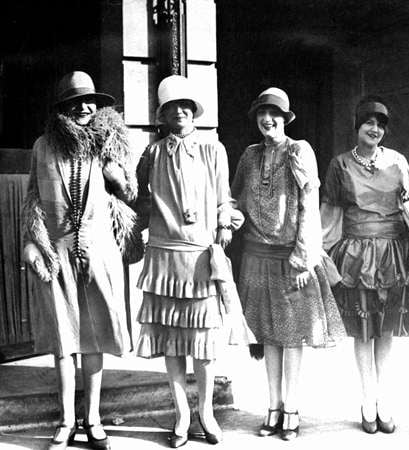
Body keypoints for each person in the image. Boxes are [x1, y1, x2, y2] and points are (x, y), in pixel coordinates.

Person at [22, 71, 138, 450]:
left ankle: (94, 419)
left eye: (90, 101)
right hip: (58, 252)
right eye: (76, 102)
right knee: (63, 339)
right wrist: (34, 243)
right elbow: (33, 201)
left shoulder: (107, 143)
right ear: (62, 110)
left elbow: (131, 194)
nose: (85, 108)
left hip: (99, 250)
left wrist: (116, 177)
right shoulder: (43, 147)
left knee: (95, 336)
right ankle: (66, 420)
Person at [135, 75, 251, 448]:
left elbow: (224, 198)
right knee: (171, 340)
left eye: (186, 106)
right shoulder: (151, 154)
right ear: (163, 115)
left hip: (199, 254)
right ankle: (181, 414)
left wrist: (224, 224)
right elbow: (139, 199)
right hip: (164, 256)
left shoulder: (213, 148)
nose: (180, 111)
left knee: (202, 342)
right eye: (172, 107)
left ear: (194, 111)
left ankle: (206, 412)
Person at [232, 87, 345, 441]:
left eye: (275, 114)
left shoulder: (300, 150)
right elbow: (234, 199)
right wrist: (229, 216)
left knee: (292, 334)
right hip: (255, 257)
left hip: (290, 258)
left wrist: (302, 258)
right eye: (263, 113)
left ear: (286, 118)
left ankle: (292, 409)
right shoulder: (250, 156)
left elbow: (309, 205)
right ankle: (273, 407)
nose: (268, 119)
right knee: (267, 336)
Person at [321, 95, 409, 434]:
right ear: (357, 127)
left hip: (391, 254)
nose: (374, 129)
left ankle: (384, 400)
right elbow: (331, 212)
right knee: (362, 333)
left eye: (380, 124)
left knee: (386, 331)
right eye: (368, 123)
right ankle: (366, 401)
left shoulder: (399, 162)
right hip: (358, 256)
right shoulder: (340, 164)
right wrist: (320, 252)